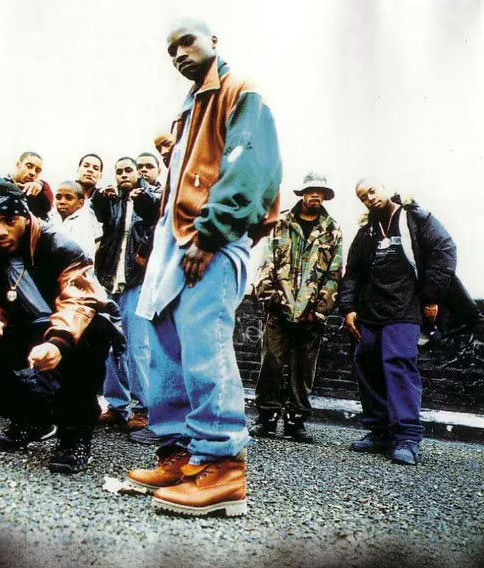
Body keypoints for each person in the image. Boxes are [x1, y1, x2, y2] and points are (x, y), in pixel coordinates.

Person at [125, 19, 281, 517]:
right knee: (166, 346)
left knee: (203, 343)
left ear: (213, 41)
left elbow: (249, 167)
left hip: (211, 238)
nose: (178, 54)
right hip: (176, 240)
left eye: (186, 42)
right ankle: (180, 454)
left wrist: (211, 235)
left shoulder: (240, 89)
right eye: (170, 49)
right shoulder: (188, 108)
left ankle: (222, 466)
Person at [0, 182, 122, 474]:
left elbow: (79, 302)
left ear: (25, 217)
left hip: (76, 325)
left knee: (88, 337)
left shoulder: (61, 245)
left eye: (10, 221)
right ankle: (31, 419)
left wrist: (57, 343)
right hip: (29, 327)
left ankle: (74, 436)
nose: (0, 232)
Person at [339, 178, 457, 466]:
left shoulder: (415, 218)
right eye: (363, 197)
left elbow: (444, 251)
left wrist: (431, 296)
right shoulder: (367, 231)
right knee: (366, 364)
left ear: (386, 187)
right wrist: (348, 308)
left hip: (405, 309)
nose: (370, 198)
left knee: (399, 365)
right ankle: (380, 432)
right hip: (370, 312)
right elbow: (352, 271)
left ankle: (407, 437)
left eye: (372, 191)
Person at [251, 172, 342, 442]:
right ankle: (266, 418)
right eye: (310, 190)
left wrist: (320, 309)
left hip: (311, 313)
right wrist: (271, 297)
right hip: (279, 308)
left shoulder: (332, 230)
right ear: (302, 193)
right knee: (271, 363)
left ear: (325, 196)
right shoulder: (280, 223)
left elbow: (334, 272)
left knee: (303, 370)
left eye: (319, 191)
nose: (314, 195)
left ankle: (296, 421)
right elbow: (266, 261)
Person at [92, 157, 160, 432]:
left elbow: (156, 214)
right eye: (119, 171)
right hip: (111, 280)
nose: (123, 175)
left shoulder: (151, 196)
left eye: (128, 170)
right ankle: (116, 405)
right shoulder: (114, 201)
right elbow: (99, 217)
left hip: (137, 281)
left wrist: (142, 197)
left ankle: (144, 408)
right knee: (108, 347)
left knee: (138, 348)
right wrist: (100, 197)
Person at [0, 152, 53, 221]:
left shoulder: (34, 190)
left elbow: (47, 208)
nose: (33, 173)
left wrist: (41, 184)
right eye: (29, 166)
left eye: (37, 171)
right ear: (18, 164)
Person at [53, 180, 102, 259]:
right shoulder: (54, 220)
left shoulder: (83, 224)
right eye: (58, 197)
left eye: (68, 198)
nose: (62, 202)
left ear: (80, 203)